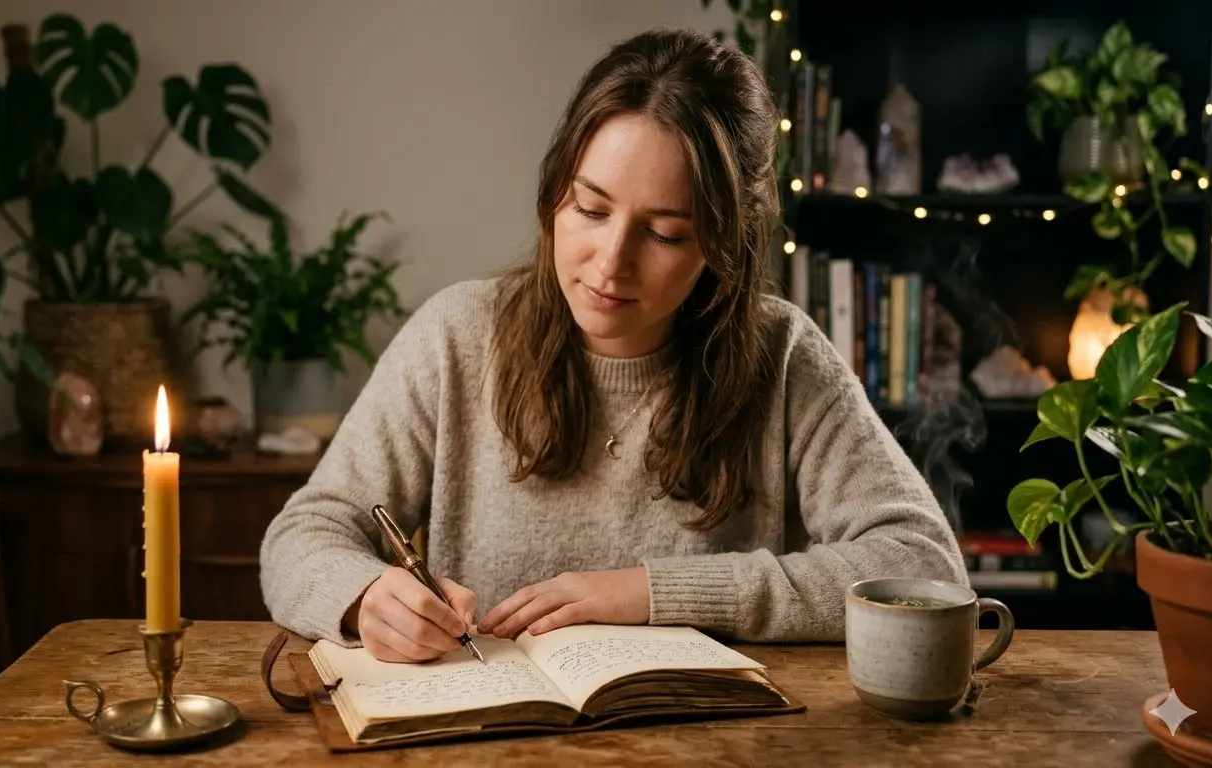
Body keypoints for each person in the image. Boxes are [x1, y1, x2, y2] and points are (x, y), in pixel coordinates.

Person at [259, 27, 966, 663]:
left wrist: (654, 594)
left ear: (724, 247)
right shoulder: (456, 337)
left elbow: (924, 567)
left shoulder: (781, 356)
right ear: (553, 196)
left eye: (664, 234)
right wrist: (363, 598)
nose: (609, 262)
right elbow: (303, 536)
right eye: (590, 209)